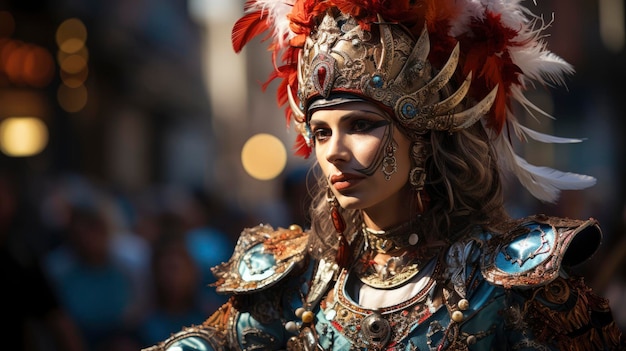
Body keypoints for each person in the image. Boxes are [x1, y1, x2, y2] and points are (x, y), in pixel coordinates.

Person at [143, 0, 625, 350]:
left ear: (423, 136)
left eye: (360, 125)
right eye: (321, 131)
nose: (334, 152)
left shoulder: (505, 280)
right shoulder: (299, 281)